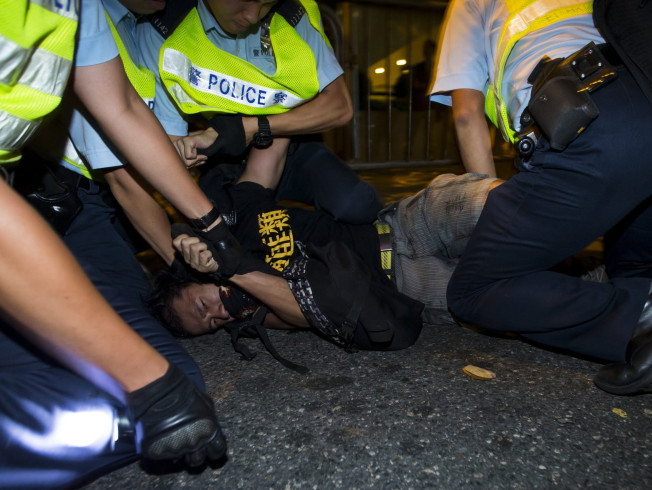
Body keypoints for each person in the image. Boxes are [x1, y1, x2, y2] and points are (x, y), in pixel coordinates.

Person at [428, 0, 652, 396]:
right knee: (637, 265)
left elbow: (467, 112)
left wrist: (490, 219)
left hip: (598, 115)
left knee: (475, 290)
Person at [0, 0, 228, 487]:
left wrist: (211, 227)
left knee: (162, 398)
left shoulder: (85, 11)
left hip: (50, 199)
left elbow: (120, 106)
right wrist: (147, 380)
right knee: (142, 400)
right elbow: (124, 177)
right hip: (27, 199)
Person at [150, 174, 502, 346]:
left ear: (192, 276)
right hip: (407, 285)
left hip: (399, 228)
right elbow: (307, 315)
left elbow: (268, 145)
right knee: (506, 296)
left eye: (202, 306)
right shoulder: (255, 310)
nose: (217, 315)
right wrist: (237, 274)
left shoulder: (238, 217)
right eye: (212, 323)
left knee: (507, 205)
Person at [148, 0, 382, 224]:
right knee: (221, 229)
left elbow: (340, 106)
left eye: (268, 3)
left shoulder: (294, 12)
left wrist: (255, 127)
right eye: (245, 0)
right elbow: (174, 147)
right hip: (221, 153)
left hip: (293, 143)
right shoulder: (166, 25)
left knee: (357, 205)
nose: (252, 16)